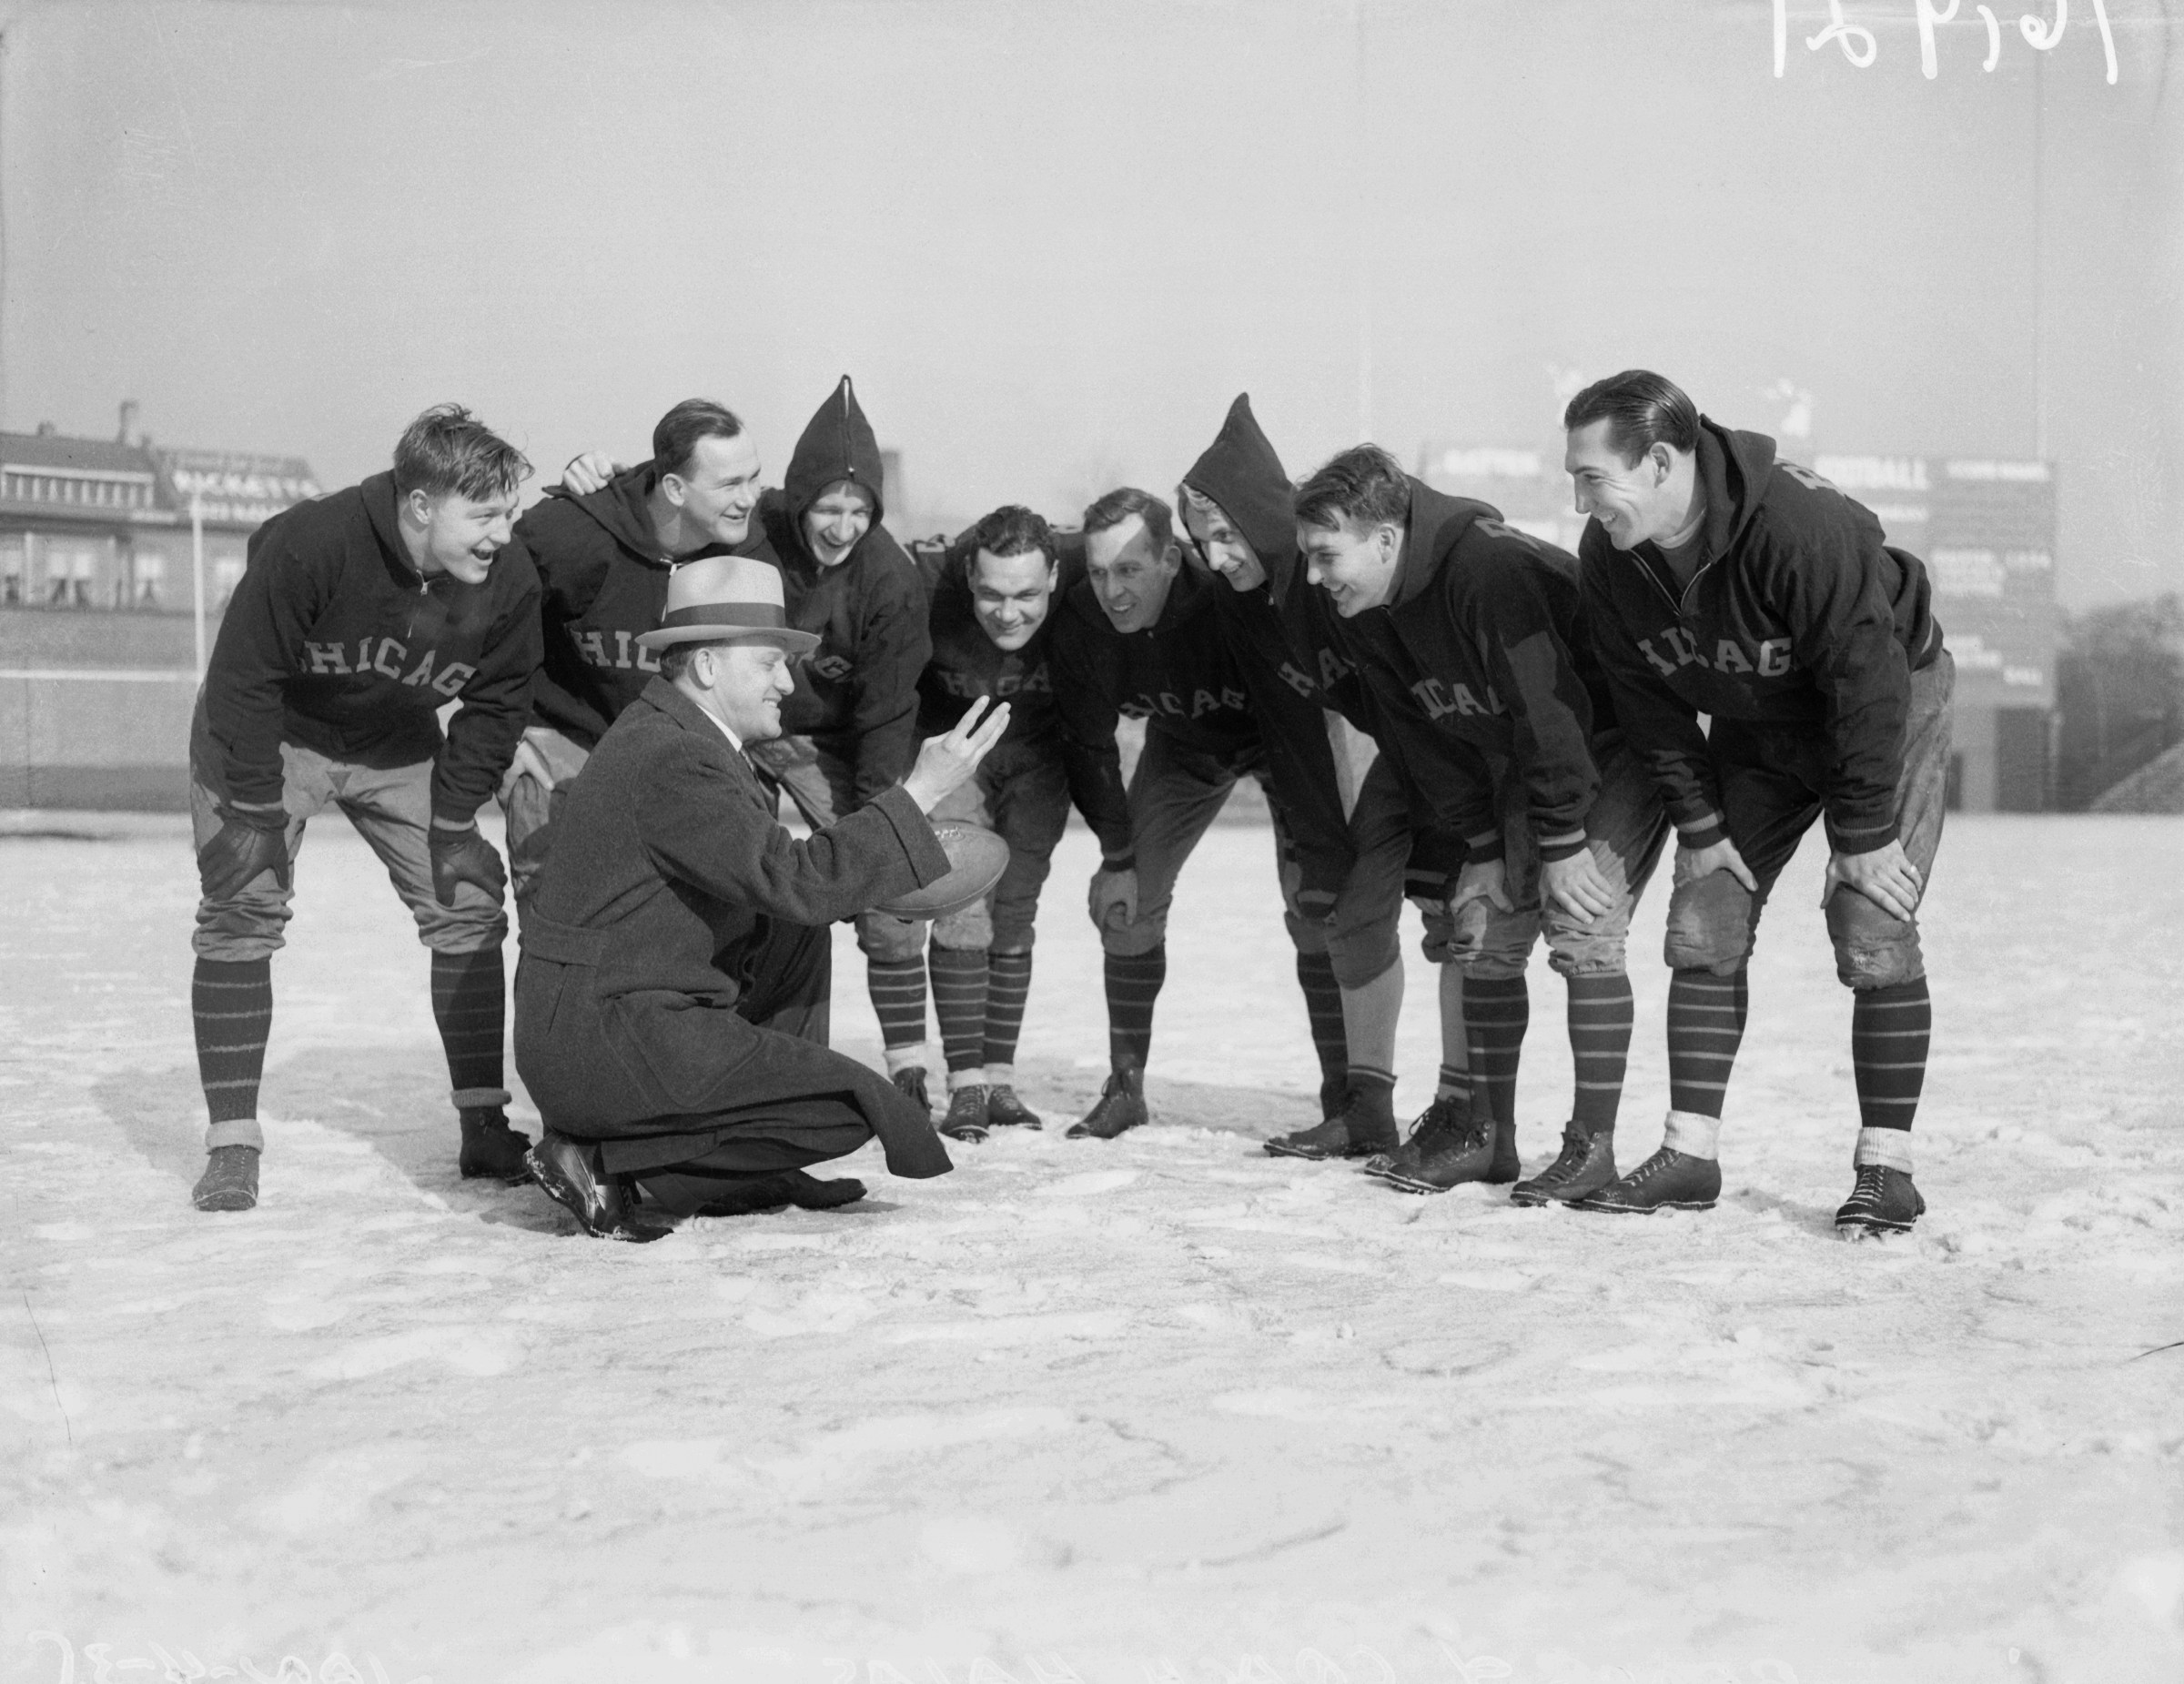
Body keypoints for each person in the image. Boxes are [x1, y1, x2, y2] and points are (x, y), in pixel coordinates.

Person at [512, 554, 1009, 1240]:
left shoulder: (680, 735)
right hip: (606, 1038)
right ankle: (602, 1158)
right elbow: (800, 880)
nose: (787, 680)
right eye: (770, 661)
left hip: (609, 1015)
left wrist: (880, 874)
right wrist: (920, 791)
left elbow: (787, 887)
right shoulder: (674, 756)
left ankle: (736, 1168)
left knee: (795, 928)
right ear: (709, 667)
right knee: (849, 1106)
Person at [1562, 370, 1952, 1235]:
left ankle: (1888, 1171)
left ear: (1661, 462)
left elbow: (1867, 678)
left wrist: (1862, 831)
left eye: (1593, 478)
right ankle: (1691, 1154)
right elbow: (1647, 702)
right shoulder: (1610, 558)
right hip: (1764, 718)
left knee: (1869, 915)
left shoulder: (1799, 527)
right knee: (1707, 908)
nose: (1582, 502)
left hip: (1886, 701)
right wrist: (1699, 827)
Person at [186, 404, 541, 1213]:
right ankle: (232, 1142)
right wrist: (249, 808)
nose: (501, 534)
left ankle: (484, 1123)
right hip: (270, 732)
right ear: (421, 505)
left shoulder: (508, 578)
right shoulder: (316, 540)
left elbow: (499, 702)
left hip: (391, 734)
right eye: (483, 514)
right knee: (243, 907)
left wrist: (453, 820)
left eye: (509, 514)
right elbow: (243, 679)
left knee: (468, 901)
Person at [1292, 444, 1670, 1201]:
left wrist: (1562, 843)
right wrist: (1486, 846)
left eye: (1326, 554)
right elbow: (1425, 740)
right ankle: (1488, 1138)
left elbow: (1550, 714)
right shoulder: (1368, 607)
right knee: (1486, 928)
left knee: (1582, 921)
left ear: (1387, 539)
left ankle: (1590, 1147)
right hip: (1532, 760)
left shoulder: (1486, 571)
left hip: (1621, 738)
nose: (1313, 577)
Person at [560, 378, 936, 1114]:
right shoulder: (755, 524)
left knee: (877, 876)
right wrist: (599, 475)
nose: (842, 524)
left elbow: (887, 716)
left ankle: (910, 1066)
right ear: (795, 499)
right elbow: (682, 488)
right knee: (743, 881)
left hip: (822, 741)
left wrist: (883, 815)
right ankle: (720, 1041)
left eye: (861, 510)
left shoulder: (889, 580)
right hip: (723, 724)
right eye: (827, 505)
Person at [1047, 487, 1357, 1140]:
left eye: (1130, 569)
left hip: (1282, 739)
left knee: (1317, 908)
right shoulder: (1082, 617)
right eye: (1100, 572)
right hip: (1186, 743)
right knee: (1124, 904)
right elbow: (1089, 741)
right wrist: (1117, 856)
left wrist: (1322, 845)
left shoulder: (1227, 595)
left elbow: (1301, 718)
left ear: (1171, 558)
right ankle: (1125, 1086)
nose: (1113, 590)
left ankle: (1345, 1093)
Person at [1174, 395, 1432, 1162]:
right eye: (1202, 540)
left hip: (1409, 764)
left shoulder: (1328, 579)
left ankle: (1467, 1109)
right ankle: (1352, 1102)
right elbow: (1284, 722)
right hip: (1314, 782)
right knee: (1320, 911)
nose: (1217, 556)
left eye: (1226, 534)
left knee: (1457, 929)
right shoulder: (1241, 601)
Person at [498, 398, 764, 903]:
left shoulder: (749, 547)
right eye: (730, 484)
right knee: (556, 914)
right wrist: (502, 736)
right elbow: (483, 624)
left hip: (671, 750)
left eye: (754, 478)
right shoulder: (570, 535)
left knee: (693, 919)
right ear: (674, 489)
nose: (749, 498)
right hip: (564, 739)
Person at [901, 505, 1096, 1142]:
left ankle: (999, 1077)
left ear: (1057, 575)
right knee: (961, 900)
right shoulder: (924, 575)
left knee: (1014, 909)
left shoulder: (1090, 563)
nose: (1008, 612)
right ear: (965, 574)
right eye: (991, 594)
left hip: (1040, 757)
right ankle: (966, 1084)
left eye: (1027, 595)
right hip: (956, 752)